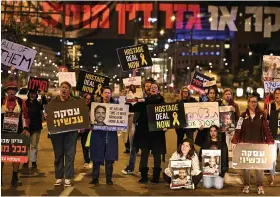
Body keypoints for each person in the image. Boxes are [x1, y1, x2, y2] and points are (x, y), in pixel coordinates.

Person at [232, 96, 274, 194]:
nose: (253, 103)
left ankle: (260, 186)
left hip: (258, 146)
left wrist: (270, 142)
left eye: (255, 102)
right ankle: (246, 185)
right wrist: (234, 141)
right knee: (246, 168)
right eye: (251, 102)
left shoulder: (261, 115)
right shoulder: (242, 116)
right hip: (245, 145)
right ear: (248, 103)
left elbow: (267, 129)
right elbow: (238, 130)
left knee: (259, 168)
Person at [130, 83, 166, 184]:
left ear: (158, 90)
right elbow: (132, 108)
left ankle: (156, 177)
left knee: (157, 154)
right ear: (148, 91)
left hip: (157, 132)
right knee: (144, 154)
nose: (153, 89)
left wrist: (166, 126)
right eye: (151, 88)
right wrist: (130, 98)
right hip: (144, 132)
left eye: (155, 87)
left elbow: (167, 117)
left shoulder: (162, 102)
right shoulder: (143, 102)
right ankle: (144, 176)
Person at [45, 81, 79, 187]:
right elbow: (48, 114)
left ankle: (68, 177)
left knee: (70, 155)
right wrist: (47, 116)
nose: (64, 89)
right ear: (60, 89)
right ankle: (59, 177)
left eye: (66, 88)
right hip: (57, 133)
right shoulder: (53, 102)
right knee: (58, 155)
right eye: (62, 87)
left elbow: (80, 115)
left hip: (71, 133)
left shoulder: (75, 101)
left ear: (69, 91)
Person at [1, 73, 30, 187]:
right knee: (1, 156)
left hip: (17, 134)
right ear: (6, 91)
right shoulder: (1, 101)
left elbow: (25, 116)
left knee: (16, 157)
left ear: (16, 90)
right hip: (2, 134)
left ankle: (14, 177)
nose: (11, 91)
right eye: (9, 89)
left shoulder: (21, 101)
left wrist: (26, 128)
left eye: (13, 89)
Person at [122, 80, 152, 175]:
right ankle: (130, 168)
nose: (148, 88)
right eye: (146, 86)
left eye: (150, 86)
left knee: (145, 149)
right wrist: (128, 99)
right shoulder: (140, 97)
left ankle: (142, 169)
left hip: (150, 127)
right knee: (134, 147)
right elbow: (131, 108)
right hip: (139, 125)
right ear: (144, 88)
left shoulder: (155, 99)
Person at [90, 87, 117, 185]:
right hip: (98, 134)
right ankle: (95, 178)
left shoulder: (116, 106)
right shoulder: (95, 106)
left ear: (111, 94)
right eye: (105, 92)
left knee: (110, 157)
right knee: (96, 156)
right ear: (102, 94)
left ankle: (109, 179)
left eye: (109, 93)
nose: (107, 94)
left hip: (110, 135)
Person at [23, 90, 47, 169]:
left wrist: (43, 96)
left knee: (34, 146)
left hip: (36, 127)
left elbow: (45, 105)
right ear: (28, 94)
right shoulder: (25, 104)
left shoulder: (38, 104)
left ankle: (33, 162)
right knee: (26, 146)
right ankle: (25, 161)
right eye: (31, 94)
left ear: (36, 95)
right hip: (26, 128)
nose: (32, 95)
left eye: (34, 94)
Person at [199, 125, 228, 189]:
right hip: (208, 170)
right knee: (207, 186)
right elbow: (200, 157)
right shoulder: (205, 143)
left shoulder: (222, 143)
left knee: (218, 186)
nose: (213, 133)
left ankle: (217, 179)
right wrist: (202, 156)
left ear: (218, 132)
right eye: (211, 131)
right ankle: (207, 179)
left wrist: (222, 171)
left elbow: (225, 159)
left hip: (218, 171)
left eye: (215, 131)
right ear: (209, 133)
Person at [265, 87, 280, 187]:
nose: (277, 95)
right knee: (272, 158)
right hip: (274, 137)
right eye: (276, 93)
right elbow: (267, 121)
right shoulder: (271, 106)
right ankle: (272, 179)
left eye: (279, 93)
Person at [80, 93, 92, 169]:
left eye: (89, 99)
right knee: (84, 145)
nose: (87, 100)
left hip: (91, 129)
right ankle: (86, 160)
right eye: (86, 99)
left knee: (91, 145)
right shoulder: (80, 107)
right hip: (83, 130)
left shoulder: (93, 107)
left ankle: (91, 159)